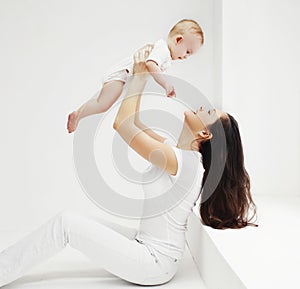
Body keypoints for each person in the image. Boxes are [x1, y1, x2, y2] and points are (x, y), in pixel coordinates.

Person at [0, 46, 257, 288]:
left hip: (154, 262)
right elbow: (133, 121)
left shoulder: (186, 163)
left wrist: (139, 79)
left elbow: (122, 125)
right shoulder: (176, 153)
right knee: (76, 217)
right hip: (143, 244)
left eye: (209, 111)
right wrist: (139, 74)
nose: (202, 106)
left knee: (66, 224)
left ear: (204, 133)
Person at [67, 19, 204, 133]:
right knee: (103, 104)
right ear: (178, 40)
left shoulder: (165, 53)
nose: (186, 57)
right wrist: (165, 84)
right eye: (187, 51)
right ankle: (78, 115)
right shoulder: (163, 50)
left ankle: (78, 114)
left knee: (104, 103)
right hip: (121, 74)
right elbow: (151, 64)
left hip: (124, 78)